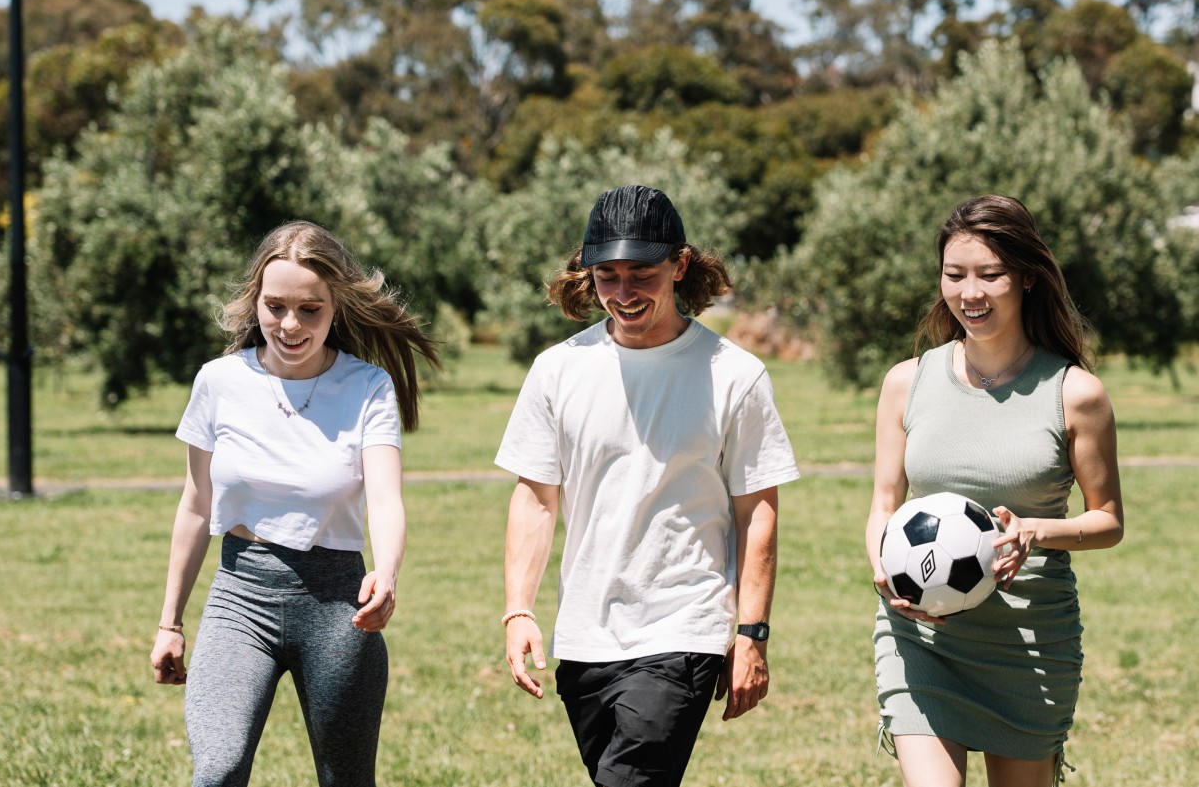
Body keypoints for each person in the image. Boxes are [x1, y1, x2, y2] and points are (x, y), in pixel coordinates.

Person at [499, 184, 801, 787]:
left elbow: (758, 512)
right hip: (585, 639)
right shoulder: (558, 369)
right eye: (607, 275)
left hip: (682, 627)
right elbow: (536, 499)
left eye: (642, 273)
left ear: (679, 265)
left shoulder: (735, 375)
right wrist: (518, 611)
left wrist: (751, 635)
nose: (624, 292)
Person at [149, 220, 440, 787]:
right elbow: (195, 505)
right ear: (255, 301)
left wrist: (388, 572)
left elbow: (384, 495)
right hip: (239, 597)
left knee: (346, 779)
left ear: (336, 310)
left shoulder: (367, 387)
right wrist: (170, 623)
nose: (290, 324)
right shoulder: (218, 382)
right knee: (218, 768)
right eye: (275, 305)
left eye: (310, 309)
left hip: (338, 604)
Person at [867, 195, 1124, 787]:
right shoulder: (907, 382)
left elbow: (1107, 520)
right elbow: (884, 504)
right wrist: (882, 567)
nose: (970, 293)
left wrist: (1037, 531)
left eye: (991, 275)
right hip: (921, 634)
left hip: (1029, 642)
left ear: (1027, 278)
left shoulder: (1075, 393)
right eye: (954, 276)